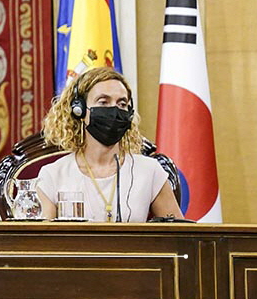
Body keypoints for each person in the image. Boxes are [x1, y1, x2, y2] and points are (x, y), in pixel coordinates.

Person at [35, 67, 183, 222]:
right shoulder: (53, 175)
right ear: (79, 110)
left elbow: (180, 238)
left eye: (122, 103)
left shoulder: (150, 171)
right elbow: (44, 241)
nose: (114, 110)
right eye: (103, 102)